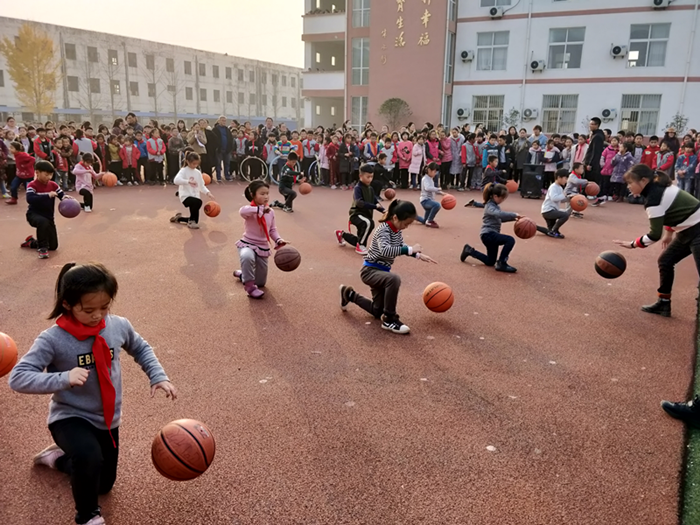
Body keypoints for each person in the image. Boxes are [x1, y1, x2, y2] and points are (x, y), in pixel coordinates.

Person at [9, 262, 176, 525]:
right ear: (67, 304)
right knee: (88, 457)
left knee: (103, 484)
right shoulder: (52, 339)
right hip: (70, 416)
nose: (98, 315)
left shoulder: (117, 326)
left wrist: (158, 376)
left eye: (105, 307)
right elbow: (18, 378)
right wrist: (63, 378)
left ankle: (58, 458)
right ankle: (87, 516)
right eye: (88, 310)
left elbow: (141, 348)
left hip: (107, 419)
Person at [613, 163, 700, 318]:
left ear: (644, 180)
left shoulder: (654, 199)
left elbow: (654, 235)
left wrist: (633, 244)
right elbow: (673, 209)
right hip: (688, 230)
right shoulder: (658, 187)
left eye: (630, 183)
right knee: (665, 261)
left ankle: (664, 304)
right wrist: (669, 232)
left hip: (696, 230)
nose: (628, 187)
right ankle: (663, 303)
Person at [339, 199, 436, 335]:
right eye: (405, 223)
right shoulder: (383, 230)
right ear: (395, 217)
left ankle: (349, 294)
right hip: (370, 271)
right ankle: (389, 319)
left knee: (377, 311)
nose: (406, 227)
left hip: (381, 272)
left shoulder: (396, 230)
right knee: (394, 279)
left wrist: (418, 255)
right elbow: (386, 250)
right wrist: (410, 249)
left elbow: (400, 247)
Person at [233, 180, 288, 298]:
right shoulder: (249, 209)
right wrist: (259, 209)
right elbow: (242, 211)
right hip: (248, 243)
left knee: (261, 283)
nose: (266, 196)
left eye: (267, 193)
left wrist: (278, 240)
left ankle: (244, 275)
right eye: (262, 194)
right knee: (247, 256)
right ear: (253, 195)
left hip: (262, 247)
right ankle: (249, 287)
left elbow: (272, 229)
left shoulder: (271, 211)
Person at [460, 183, 522, 273]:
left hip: (490, 235)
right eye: (502, 198)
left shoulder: (495, 206)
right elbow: (499, 214)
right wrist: (514, 214)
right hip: (488, 234)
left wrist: (514, 219)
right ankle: (502, 263)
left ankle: (469, 251)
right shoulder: (489, 206)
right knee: (510, 240)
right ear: (495, 196)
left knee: (490, 261)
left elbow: (499, 219)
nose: (503, 200)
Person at [20, 160, 74, 259]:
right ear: (37, 172)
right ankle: (42, 249)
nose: (48, 177)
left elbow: (61, 195)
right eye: (46, 175)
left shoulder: (53, 185)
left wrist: (66, 198)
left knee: (53, 246)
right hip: (33, 215)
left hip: (49, 217)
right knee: (42, 222)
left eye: (50, 175)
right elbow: (30, 199)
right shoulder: (32, 185)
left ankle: (31, 242)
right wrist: (47, 195)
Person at [335, 164, 385, 254]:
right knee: (369, 223)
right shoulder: (358, 188)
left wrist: (384, 210)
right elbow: (360, 203)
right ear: (360, 176)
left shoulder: (370, 188)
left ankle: (341, 234)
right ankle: (360, 246)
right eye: (368, 177)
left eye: (371, 177)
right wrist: (375, 206)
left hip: (366, 215)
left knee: (359, 238)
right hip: (356, 215)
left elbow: (374, 201)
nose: (370, 179)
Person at [171, 152, 214, 229]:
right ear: (188, 161)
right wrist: (187, 181)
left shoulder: (197, 173)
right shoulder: (183, 171)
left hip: (195, 196)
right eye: (193, 163)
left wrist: (208, 193)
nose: (195, 166)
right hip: (185, 196)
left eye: (197, 164)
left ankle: (179, 218)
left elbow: (201, 186)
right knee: (198, 202)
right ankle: (191, 221)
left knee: (195, 219)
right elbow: (176, 180)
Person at [535, 169, 571, 239]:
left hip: (551, 210)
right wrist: (563, 195)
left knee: (549, 230)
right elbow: (554, 198)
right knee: (565, 215)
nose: (566, 181)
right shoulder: (553, 187)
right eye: (565, 178)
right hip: (548, 211)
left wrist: (569, 199)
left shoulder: (559, 188)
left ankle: (535, 227)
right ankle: (554, 230)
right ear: (559, 177)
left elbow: (560, 199)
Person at [417, 162, 444, 228]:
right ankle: (430, 221)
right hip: (425, 201)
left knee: (424, 220)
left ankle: (414, 217)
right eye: (434, 172)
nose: (435, 174)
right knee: (437, 205)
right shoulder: (425, 179)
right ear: (429, 170)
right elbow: (428, 188)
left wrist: (442, 193)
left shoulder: (430, 179)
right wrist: (437, 189)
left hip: (428, 201)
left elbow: (432, 190)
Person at [584, 117, 606, 192]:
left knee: (591, 180)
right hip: (590, 161)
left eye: (592, 124)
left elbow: (595, 152)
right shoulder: (594, 135)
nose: (590, 126)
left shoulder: (597, 136)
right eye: (590, 124)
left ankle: (592, 194)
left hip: (592, 163)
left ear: (597, 125)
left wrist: (590, 164)